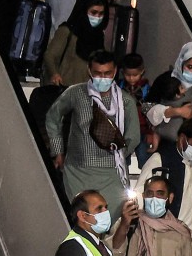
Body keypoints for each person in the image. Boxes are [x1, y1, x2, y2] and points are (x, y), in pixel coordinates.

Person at [45, 50, 139, 221]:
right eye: (98, 73)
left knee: (107, 221)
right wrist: (58, 151)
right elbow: (53, 116)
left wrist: (116, 153)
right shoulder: (75, 93)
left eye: (107, 73)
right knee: (83, 220)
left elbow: (133, 137)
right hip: (77, 171)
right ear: (89, 70)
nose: (102, 78)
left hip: (112, 174)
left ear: (115, 71)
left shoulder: (126, 101)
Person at [134, 117, 192, 235]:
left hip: (188, 235)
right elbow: (140, 195)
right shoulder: (160, 160)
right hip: (163, 234)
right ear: (182, 139)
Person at [43, 0, 108, 87]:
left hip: (85, 91)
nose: (97, 17)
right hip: (63, 89)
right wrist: (54, 74)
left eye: (101, 14)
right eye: (93, 12)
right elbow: (50, 56)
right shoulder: (67, 31)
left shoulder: (99, 37)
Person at [118, 53, 155, 166]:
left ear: (142, 71)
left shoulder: (147, 89)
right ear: (123, 72)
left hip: (142, 130)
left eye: (135, 75)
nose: (131, 78)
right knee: (122, 159)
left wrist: (151, 132)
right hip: (123, 130)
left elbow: (152, 113)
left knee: (144, 159)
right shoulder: (118, 87)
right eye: (128, 75)